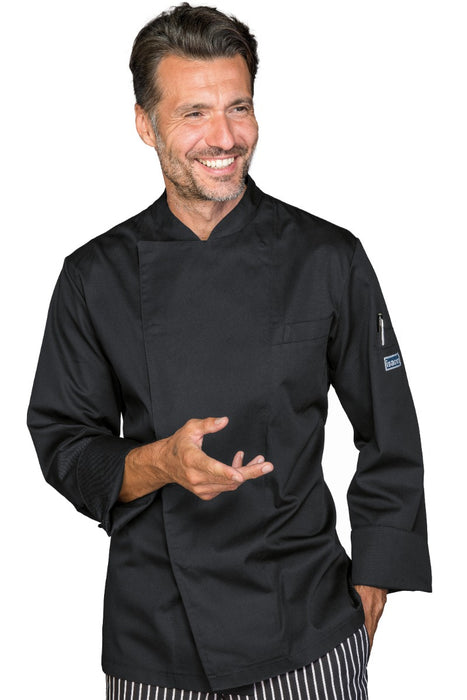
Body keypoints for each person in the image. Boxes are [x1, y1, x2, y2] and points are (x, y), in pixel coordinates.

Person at [27, 3, 431, 699]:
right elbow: (62, 441)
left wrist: (376, 570)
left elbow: (389, 428)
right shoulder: (95, 277)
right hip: (156, 637)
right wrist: (160, 462)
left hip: (308, 627)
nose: (225, 137)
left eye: (238, 107)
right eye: (194, 114)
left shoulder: (327, 258)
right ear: (145, 124)